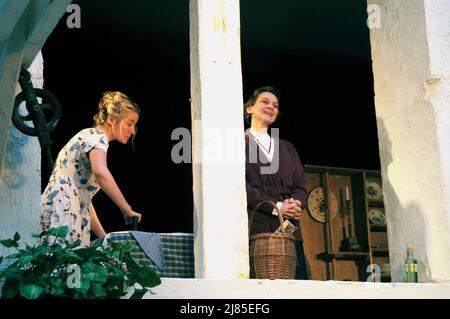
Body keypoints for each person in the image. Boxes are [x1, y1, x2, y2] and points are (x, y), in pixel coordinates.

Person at [40, 91, 142, 247]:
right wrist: (126, 209)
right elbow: (100, 172)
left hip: (63, 205)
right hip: (62, 208)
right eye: (129, 123)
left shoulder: (88, 135)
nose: (133, 130)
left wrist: (103, 238)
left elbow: (84, 200)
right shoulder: (97, 137)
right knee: (62, 265)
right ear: (111, 119)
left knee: (60, 265)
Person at [244, 86, 308, 279]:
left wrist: (295, 204)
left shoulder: (287, 148)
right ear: (249, 109)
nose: (271, 107)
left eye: (275, 105)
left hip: (289, 230)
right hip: (258, 229)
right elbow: (240, 187)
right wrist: (278, 206)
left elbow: (300, 186)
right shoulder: (238, 143)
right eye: (264, 102)